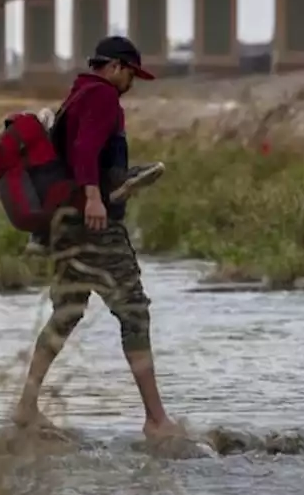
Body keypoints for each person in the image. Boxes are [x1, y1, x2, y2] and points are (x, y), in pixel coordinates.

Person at [12, 35, 180, 440]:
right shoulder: (103, 97)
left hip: (64, 224)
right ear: (116, 67)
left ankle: (26, 406)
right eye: (131, 75)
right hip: (94, 225)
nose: (132, 85)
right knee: (134, 311)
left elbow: (80, 156)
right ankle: (157, 422)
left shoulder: (77, 96)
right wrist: (94, 198)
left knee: (67, 311)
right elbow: (86, 151)